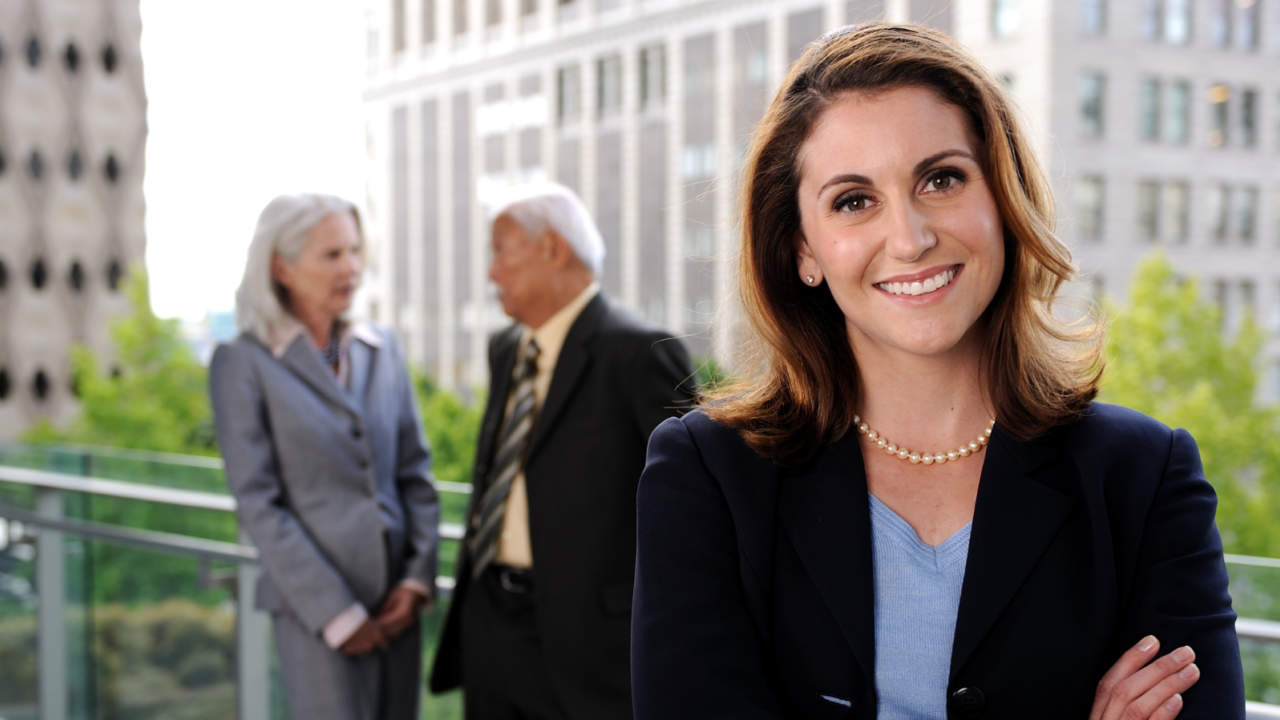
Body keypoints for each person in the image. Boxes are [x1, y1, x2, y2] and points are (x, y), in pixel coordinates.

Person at [632, 24, 1243, 720]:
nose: (911, 239)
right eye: (854, 200)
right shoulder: (706, 478)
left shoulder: (1144, 479)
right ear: (803, 249)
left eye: (942, 179)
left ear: (1002, 200)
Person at [429, 182, 696, 720]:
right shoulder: (507, 347)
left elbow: (693, 515)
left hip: (591, 647)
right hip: (488, 624)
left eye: (500, 249)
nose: (490, 272)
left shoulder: (642, 351)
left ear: (552, 249)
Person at [210, 194, 440, 720]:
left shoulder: (383, 348)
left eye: (356, 251)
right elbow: (258, 503)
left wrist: (416, 579)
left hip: (399, 608)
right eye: (332, 255)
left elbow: (415, 473)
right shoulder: (242, 363)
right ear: (281, 268)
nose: (352, 268)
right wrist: (338, 614)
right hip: (318, 616)